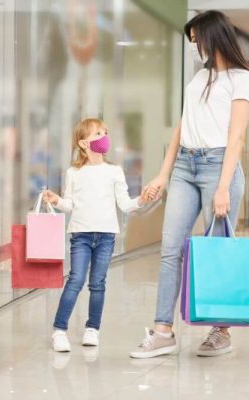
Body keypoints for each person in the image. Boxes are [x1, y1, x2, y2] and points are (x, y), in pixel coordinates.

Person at [130, 10, 249, 359]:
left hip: (218, 167)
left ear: (214, 36)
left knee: (217, 251)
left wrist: (224, 186)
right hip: (185, 164)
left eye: (198, 39)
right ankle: (163, 331)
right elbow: (181, 128)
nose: (196, 46)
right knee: (170, 248)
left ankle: (220, 330)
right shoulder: (198, 78)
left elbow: (236, 137)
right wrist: (163, 175)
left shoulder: (242, 78)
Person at [44, 117, 157, 352]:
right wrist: (57, 201)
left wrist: (141, 200)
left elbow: (125, 204)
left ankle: (92, 328)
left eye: (105, 132)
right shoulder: (74, 173)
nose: (104, 137)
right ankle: (59, 330)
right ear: (83, 143)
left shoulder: (115, 171)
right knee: (76, 280)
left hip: (106, 236)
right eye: (98, 133)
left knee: (98, 284)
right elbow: (69, 204)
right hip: (80, 235)